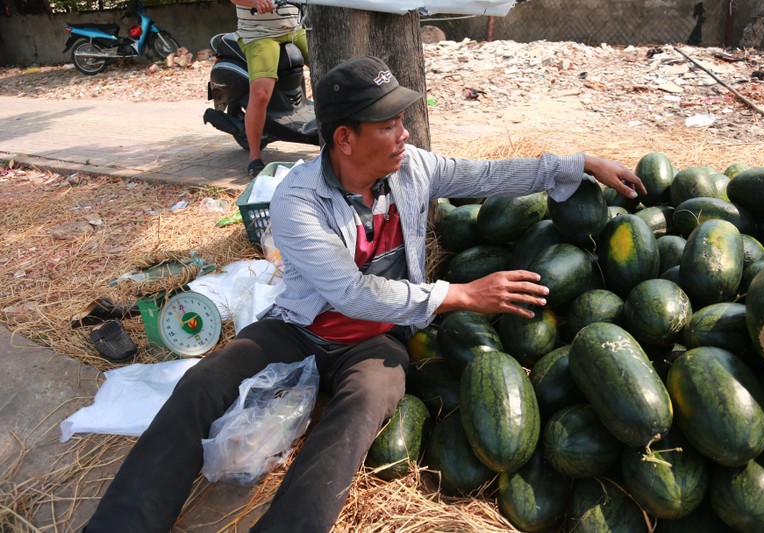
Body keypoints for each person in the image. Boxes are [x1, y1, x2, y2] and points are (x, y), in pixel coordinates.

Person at [84, 56, 645, 533]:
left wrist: (576, 164)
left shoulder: (414, 168)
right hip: (296, 326)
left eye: (402, 121)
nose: (405, 134)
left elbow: (487, 174)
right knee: (203, 382)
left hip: (375, 341)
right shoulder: (298, 201)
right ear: (345, 138)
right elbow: (352, 292)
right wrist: (459, 294)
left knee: (361, 410)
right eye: (389, 124)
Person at [230, 0, 308, 177]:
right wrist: (254, 2)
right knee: (260, 93)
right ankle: (254, 156)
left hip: (295, 28)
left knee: (333, 71)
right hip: (259, 33)